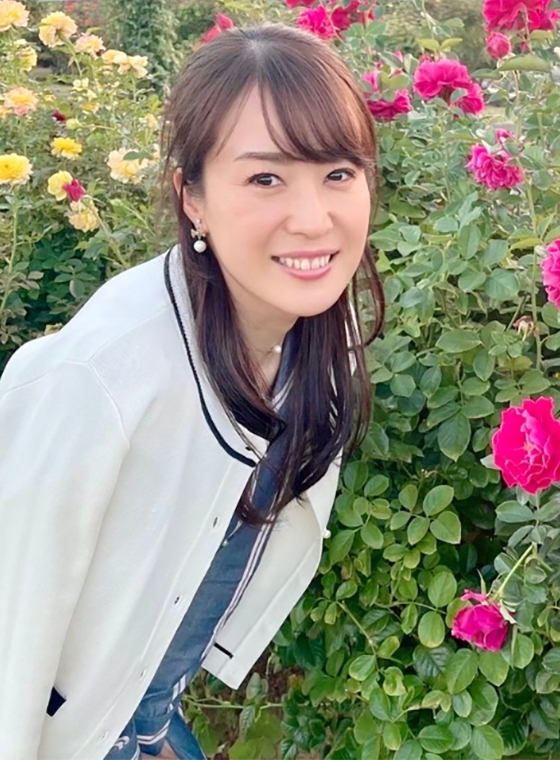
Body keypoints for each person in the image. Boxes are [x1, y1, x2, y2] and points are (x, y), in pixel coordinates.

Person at [0, 21, 384, 760]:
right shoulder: (97, 380)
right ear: (193, 198)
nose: (315, 219)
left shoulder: (314, 333)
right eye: (266, 178)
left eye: (339, 173)